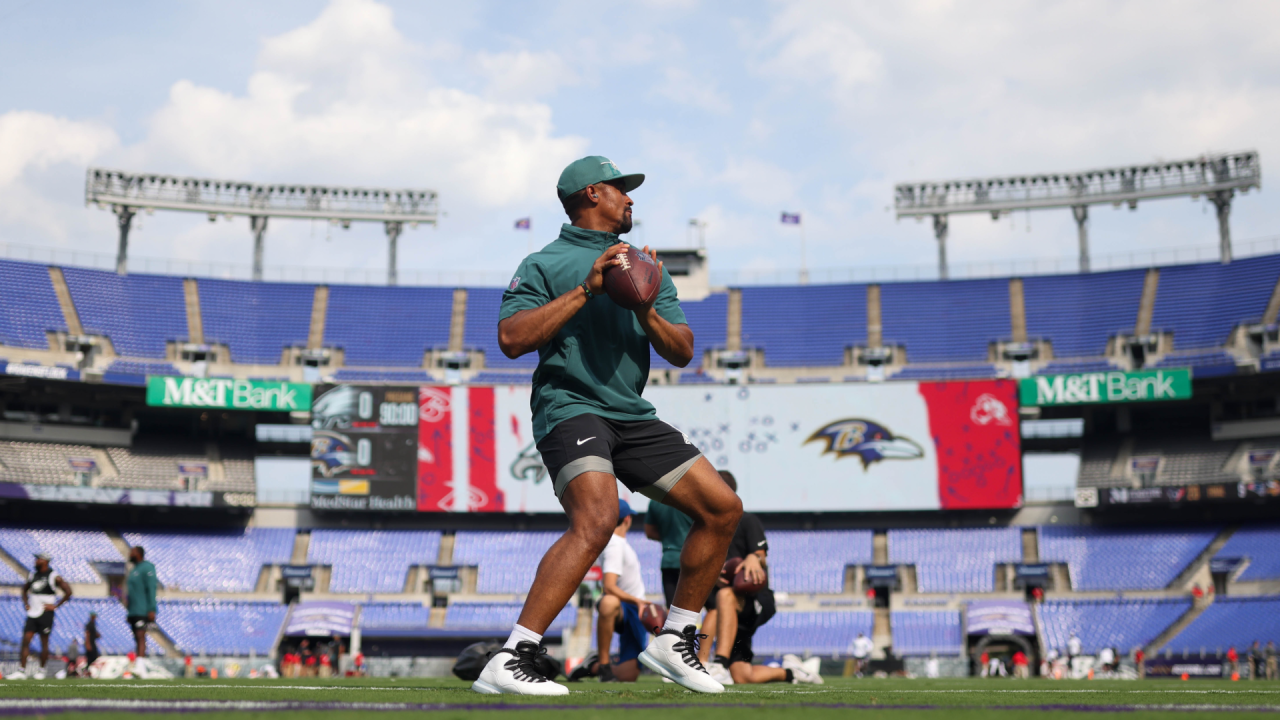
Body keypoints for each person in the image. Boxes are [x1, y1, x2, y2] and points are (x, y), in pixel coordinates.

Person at [472, 156, 742, 696]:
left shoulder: (642, 265)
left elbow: (683, 351)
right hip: (570, 406)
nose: (631, 199)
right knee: (597, 520)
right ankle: (513, 655)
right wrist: (587, 290)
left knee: (722, 507)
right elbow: (510, 339)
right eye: (622, 190)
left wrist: (644, 307)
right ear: (592, 194)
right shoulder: (544, 262)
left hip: (630, 414)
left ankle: (675, 637)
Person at [701, 473, 819, 686]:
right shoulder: (706, 528)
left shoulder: (746, 521)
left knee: (725, 596)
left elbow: (760, 556)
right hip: (730, 613)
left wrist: (754, 557)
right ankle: (794, 673)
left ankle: (716, 665)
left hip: (753, 600)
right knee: (742, 676)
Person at [569, 499, 651, 683]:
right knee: (608, 602)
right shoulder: (614, 544)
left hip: (631, 607)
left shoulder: (616, 542)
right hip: (628, 606)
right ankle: (604, 665)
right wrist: (638, 602)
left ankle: (593, 666)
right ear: (628, 519)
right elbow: (609, 587)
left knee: (628, 675)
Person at [14, 553, 72, 679]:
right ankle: (21, 670)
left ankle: (41, 670)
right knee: (26, 641)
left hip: (45, 613)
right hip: (32, 613)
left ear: (45, 561)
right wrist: (26, 603)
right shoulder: (32, 575)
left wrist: (56, 605)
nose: (35, 561)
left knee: (44, 642)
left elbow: (68, 591)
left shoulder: (53, 576)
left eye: (38, 559)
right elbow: (24, 590)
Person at [644, 497, 693, 607]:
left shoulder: (655, 501)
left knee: (671, 608)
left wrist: (668, 538)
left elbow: (649, 532)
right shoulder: (693, 498)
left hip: (668, 560)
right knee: (710, 608)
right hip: (691, 559)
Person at [125, 546, 157, 659]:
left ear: (138, 554)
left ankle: (140, 665)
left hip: (142, 610)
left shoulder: (147, 567)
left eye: (132, 552)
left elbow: (151, 588)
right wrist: (129, 612)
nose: (129, 554)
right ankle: (139, 665)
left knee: (140, 636)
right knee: (136, 637)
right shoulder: (134, 570)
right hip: (133, 611)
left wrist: (152, 609)